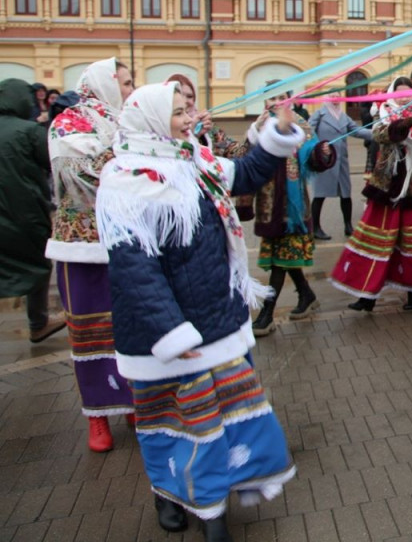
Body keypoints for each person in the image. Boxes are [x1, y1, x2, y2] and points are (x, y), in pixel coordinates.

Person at [96, 82, 303, 539]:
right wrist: (172, 332)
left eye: (188, 109)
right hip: (167, 333)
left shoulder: (194, 158)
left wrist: (279, 131)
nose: (189, 118)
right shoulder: (126, 179)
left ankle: (215, 509)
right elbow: (134, 268)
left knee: (226, 419)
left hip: (217, 319)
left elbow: (245, 175)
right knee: (176, 424)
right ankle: (169, 495)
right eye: (177, 112)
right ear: (151, 120)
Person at [46, 57, 136, 453]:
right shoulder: (69, 122)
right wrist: (128, 154)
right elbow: (81, 173)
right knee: (88, 331)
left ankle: (131, 401)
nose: (131, 90)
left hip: (124, 240)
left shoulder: (127, 122)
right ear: (105, 84)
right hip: (81, 247)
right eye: (126, 83)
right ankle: (96, 415)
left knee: (127, 326)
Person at [331, 77, 412, 311]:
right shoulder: (384, 112)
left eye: (408, 93)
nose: (405, 97)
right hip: (387, 187)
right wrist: (401, 126)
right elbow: (378, 136)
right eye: (400, 93)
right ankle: (366, 295)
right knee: (376, 241)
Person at [232, 92, 335, 336]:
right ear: (265, 102)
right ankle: (306, 295)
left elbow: (312, 156)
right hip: (268, 205)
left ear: (290, 100)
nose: (276, 101)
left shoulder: (300, 124)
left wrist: (322, 152)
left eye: (281, 96)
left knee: (281, 259)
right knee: (283, 256)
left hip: (294, 206)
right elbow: (240, 158)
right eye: (271, 97)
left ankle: (267, 314)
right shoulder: (259, 125)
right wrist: (253, 133)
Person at [0, 79, 65, 344]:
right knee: (37, 263)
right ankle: (38, 322)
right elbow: (53, 163)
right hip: (25, 211)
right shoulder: (28, 131)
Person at [308, 98, 373, 239]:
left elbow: (357, 131)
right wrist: (318, 147)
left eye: (337, 97)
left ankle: (348, 227)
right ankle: (315, 228)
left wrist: (379, 133)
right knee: (319, 195)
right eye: (332, 97)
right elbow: (308, 133)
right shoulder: (319, 114)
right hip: (324, 161)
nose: (335, 100)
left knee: (346, 194)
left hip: (341, 161)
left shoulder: (343, 116)